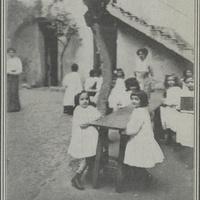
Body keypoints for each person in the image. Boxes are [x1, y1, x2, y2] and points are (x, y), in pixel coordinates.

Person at [122, 90, 164, 187]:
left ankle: (145, 177)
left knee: (138, 158)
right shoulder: (139, 110)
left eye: (136, 99)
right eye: (132, 99)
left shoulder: (140, 111)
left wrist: (127, 132)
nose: (133, 101)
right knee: (137, 159)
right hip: (139, 136)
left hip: (140, 138)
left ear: (142, 100)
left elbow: (136, 128)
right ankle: (142, 176)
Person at [68, 90, 101, 190]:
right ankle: (77, 176)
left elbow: (99, 117)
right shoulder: (78, 110)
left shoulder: (91, 108)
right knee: (88, 156)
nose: (85, 101)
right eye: (82, 99)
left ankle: (88, 173)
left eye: (87, 99)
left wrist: (91, 121)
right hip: (83, 137)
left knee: (93, 154)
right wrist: (92, 121)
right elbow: (82, 124)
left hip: (91, 137)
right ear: (78, 101)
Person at [175, 76, 194, 169]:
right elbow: (179, 105)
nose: (190, 84)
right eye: (188, 82)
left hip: (194, 119)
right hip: (186, 118)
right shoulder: (184, 93)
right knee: (188, 140)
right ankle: (190, 160)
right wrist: (178, 108)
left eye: (192, 81)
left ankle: (192, 161)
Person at [160, 74, 182, 145]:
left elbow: (178, 99)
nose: (170, 82)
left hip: (174, 109)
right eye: (169, 80)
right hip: (167, 109)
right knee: (167, 123)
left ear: (175, 81)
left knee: (175, 124)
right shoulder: (167, 89)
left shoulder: (177, 89)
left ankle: (177, 141)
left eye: (172, 80)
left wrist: (168, 102)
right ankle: (169, 139)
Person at [7, 47, 23, 112]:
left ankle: (16, 107)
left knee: (14, 91)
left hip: (15, 76)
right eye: (10, 52)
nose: (11, 54)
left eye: (12, 52)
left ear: (14, 53)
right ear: (8, 53)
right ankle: (10, 107)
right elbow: (5, 68)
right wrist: (9, 72)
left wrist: (15, 72)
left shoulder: (17, 60)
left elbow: (20, 68)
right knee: (9, 91)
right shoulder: (7, 60)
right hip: (8, 76)